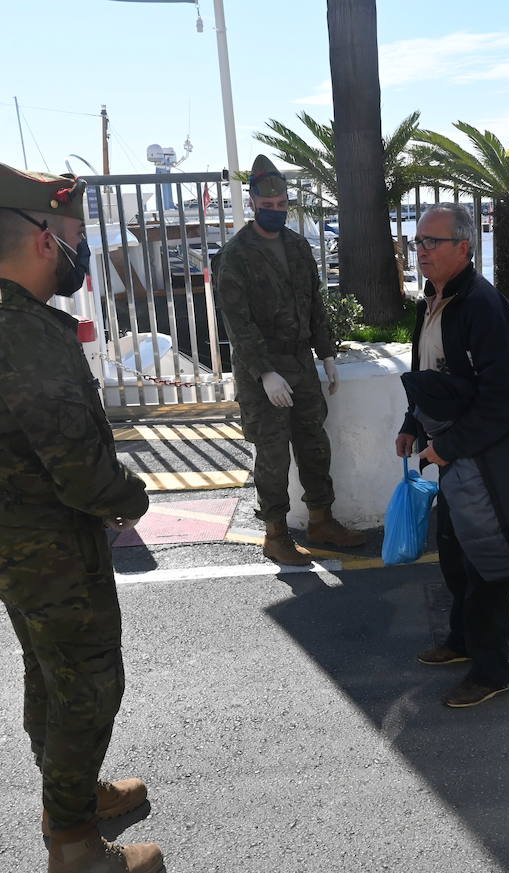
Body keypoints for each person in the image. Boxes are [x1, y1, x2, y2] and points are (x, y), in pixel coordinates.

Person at [0, 158, 162, 873]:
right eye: (76, 236)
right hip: (49, 543)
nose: (81, 251)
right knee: (88, 689)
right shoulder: (18, 331)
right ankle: (75, 855)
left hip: (15, 530)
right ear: (43, 240)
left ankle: (73, 798)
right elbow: (79, 468)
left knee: (52, 676)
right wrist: (130, 497)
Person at [395, 203, 509, 708]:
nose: (420, 250)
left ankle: (491, 672)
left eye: (432, 241)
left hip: (485, 458)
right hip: (453, 454)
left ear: (464, 248)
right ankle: (462, 640)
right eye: (418, 240)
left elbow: (501, 401)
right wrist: (411, 424)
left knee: (487, 563)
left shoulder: (484, 307)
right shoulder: (432, 298)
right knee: (453, 553)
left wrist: (445, 447)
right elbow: (427, 371)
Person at [213, 154, 366, 566]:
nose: (276, 211)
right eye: (268, 206)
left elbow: (314, 303)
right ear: (253, 204)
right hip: (262, 370)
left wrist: (326, 353)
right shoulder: (235, 255)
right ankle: (276, 534)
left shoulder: (297, 246)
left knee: (314, 443)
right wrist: (265, 373)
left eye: (281, 205)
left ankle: (321, 520)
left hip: (300, 364)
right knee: (273, 452)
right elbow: (238, 323)